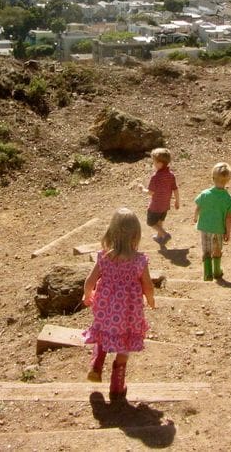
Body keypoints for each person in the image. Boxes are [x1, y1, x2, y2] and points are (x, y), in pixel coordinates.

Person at [82, 208, 156, 399]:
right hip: (128, 314)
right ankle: (117, 386)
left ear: (112, 232)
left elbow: (90, 280)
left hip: (105, 309)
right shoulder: (139, 260)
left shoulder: (104, 257)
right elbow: (148, 284)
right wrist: (150, 299)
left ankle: (96, 366)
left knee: (103, 333)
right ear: (136, 235)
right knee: (123, 344)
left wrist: (87, 295)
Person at [194, 162, 231, 281]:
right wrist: (228, 232)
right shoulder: (228, 198)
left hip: (204, 227)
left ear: (212, 178)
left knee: (206, 249)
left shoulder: (205, 194)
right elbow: (229, 217)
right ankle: (217, 271)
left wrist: (195, 217)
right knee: (217, 249)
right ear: (228, 180)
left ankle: (207, 273)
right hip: (218, 229)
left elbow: (198, 207)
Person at [136, 148, 179, 247]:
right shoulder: (171, 175)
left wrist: (142, 189)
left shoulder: (155, 177)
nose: (153, 164)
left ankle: (165, 234)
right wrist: (177, 201)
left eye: (154, 162)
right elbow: (175, 189)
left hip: (155, 206)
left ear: (160, 163)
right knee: (160, 221)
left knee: (150, 222)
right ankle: (159, 237)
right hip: (165, 205)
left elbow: (151, 192)